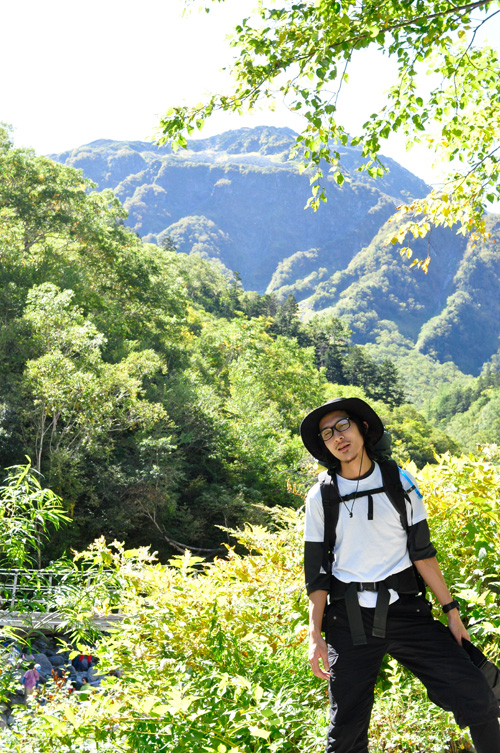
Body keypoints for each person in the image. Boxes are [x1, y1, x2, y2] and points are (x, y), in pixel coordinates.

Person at [301, 396, 500, 753]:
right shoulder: (321, 496)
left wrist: (452, 612)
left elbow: (422, 554)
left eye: (343, 425)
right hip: (349, 620)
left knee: (477, 696)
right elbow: (316, 572)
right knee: (344, 731)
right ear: (325, 444)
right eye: (327, 433)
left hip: (407, 611)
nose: (337, 437)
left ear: (362, 427)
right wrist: (314, 633)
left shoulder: (399, 482)